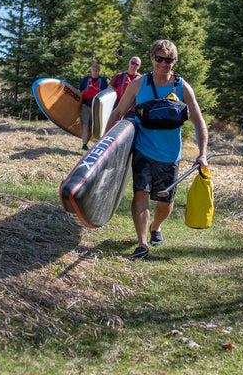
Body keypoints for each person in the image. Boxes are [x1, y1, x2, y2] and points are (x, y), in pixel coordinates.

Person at [105, 40, 208, 259]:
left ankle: (156, 226)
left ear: (175, 61)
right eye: (159, 59)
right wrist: (105, 143)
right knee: (140, 193)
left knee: (165, 202)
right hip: (142, 148)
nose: (163, 64)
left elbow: (199, 122)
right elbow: (117, 113)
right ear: (152, 59)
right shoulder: (138, 84)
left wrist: (202, 153)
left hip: (170, 154)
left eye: (168, 60)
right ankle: (142, 244)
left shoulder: (183, 87)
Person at [79, 63, 108, 150]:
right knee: (85, 124)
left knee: (93, 127)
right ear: (91, 70)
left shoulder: (102, 81)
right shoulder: (85, 79)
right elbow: (79, 90)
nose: (95, 72)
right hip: (86, 105)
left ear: (99, 71)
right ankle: (84, 144)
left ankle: (86, 143)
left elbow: (106, 93)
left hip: (96, 106)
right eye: (93, 70)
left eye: (96, 71)